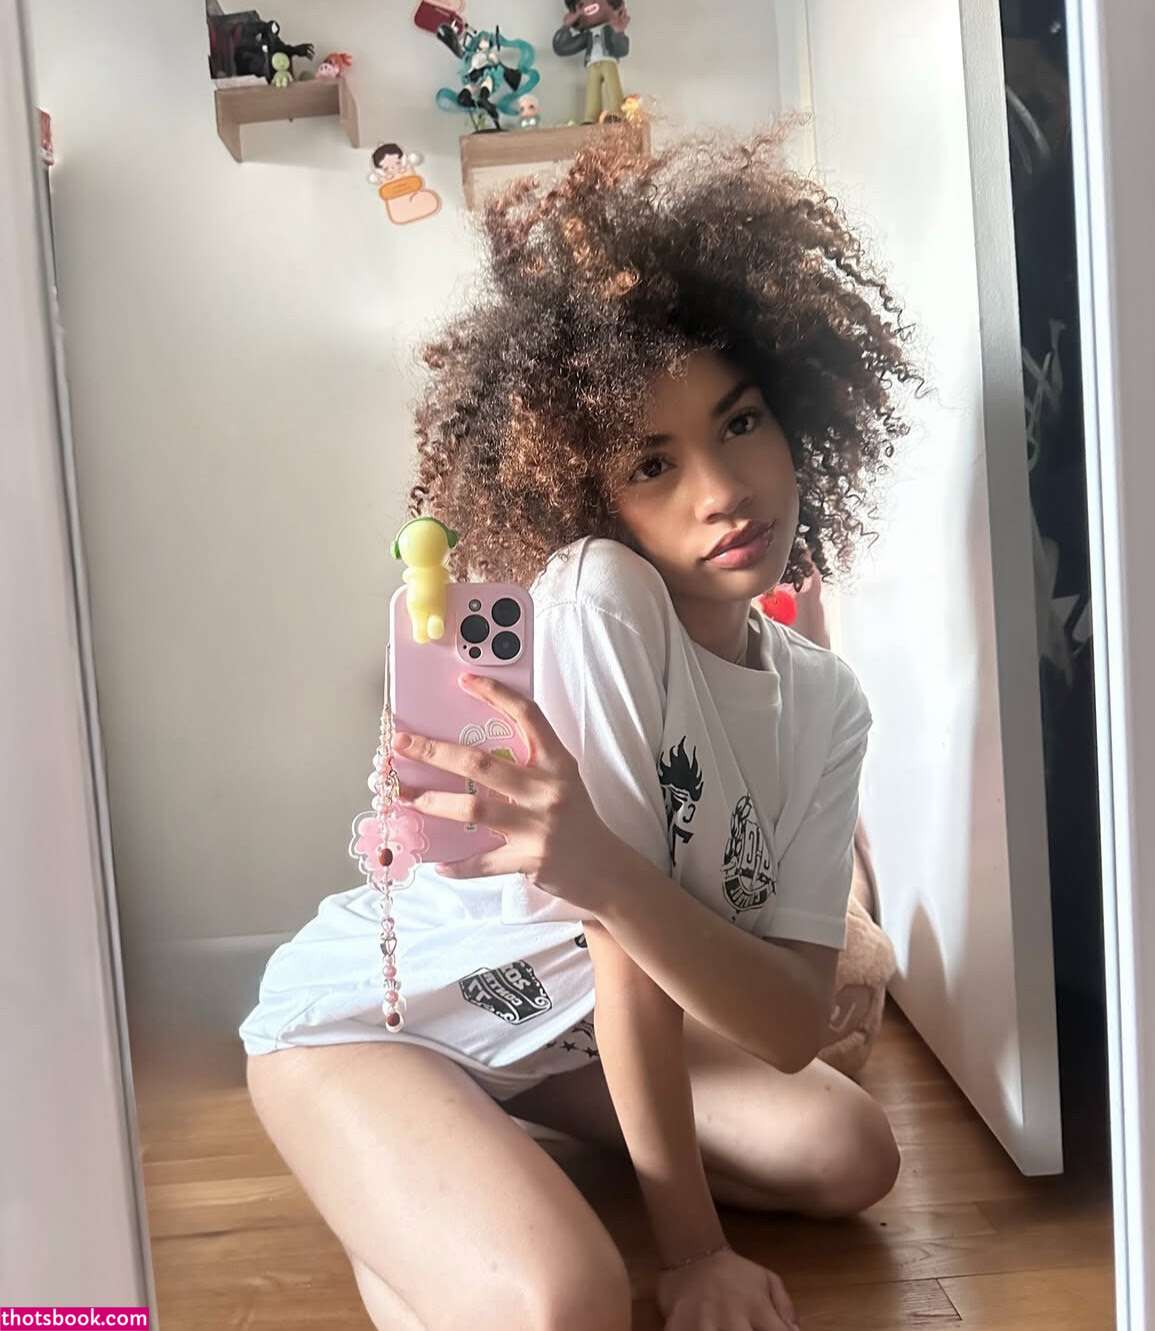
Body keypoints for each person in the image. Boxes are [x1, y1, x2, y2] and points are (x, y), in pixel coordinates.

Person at [241, 124, 922, 1331]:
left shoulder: (827, 701)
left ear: (801, 414)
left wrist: (602, 867)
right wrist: (694, 1251)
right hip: (389, 1016)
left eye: (742, 422)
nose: (723, 490)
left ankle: (500, 1144)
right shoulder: (605, 596)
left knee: (849, 1151)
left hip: (562, 1038)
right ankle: (403, 1183)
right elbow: (624, 949)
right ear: (589, 497)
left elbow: (785, 1020)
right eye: (652, 465)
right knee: (569, 1301)